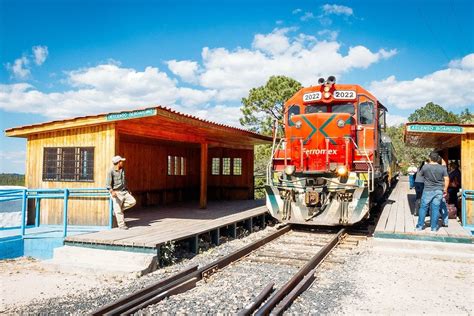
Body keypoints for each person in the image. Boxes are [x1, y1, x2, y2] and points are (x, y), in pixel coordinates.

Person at [416, 152, 449, 232]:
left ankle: (420, 226)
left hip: (427, 190)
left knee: (423, 208)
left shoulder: (425, 167)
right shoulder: (442, 168)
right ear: (437, 158)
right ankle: (433, 228)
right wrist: (445, 189)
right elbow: (447, 179)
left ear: (430, 158)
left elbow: (420, 175)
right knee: (435, 209)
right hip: (438, 191)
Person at [106, 155, 136, 230]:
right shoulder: (110, 171)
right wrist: (112, 191)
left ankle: (117, 210)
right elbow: (108, 184)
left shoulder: (123, 170)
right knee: (118, 211)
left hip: (124, 191)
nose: (122, 162)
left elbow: (124, 181)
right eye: (121, 161)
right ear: (118, 162)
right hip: (116, 193)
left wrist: (128, 189)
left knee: (133, 201)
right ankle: (121, 225)